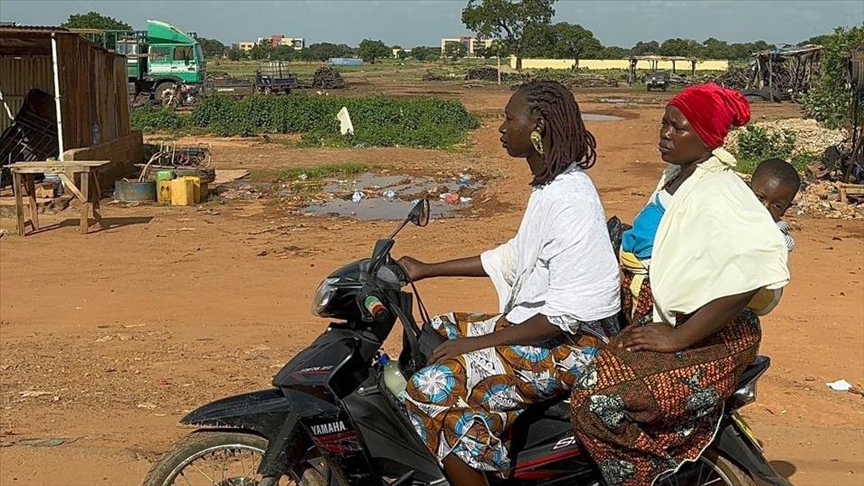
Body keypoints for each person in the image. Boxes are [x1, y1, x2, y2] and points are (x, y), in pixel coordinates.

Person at [397, 80, 621, 486]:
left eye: (508, 119)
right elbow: (515, 257)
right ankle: (482, 434)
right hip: (544, 329)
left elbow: (563, 315)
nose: (501, 129)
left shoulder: (570, 200)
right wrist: (427, 268)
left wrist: (475, 345)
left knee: (431, 387)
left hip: (575, 346)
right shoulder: (551, 187)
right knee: (437, 330)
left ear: (538, 126)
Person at [569, 83, 791, 486]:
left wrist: (679, 337)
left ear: (706, 137)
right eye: (664, 123)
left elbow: (758, 268)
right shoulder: (679, 176)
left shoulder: (718, 190)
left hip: (712, 334)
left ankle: (652, 478)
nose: (665, 134)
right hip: (668, 319)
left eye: (678, 128)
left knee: (596, 401)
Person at [750, 158, 801, 252]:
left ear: (785, 210)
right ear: (746, 190)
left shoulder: (777, 235)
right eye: (759, 198)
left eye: (777, 206)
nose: (765, 208)